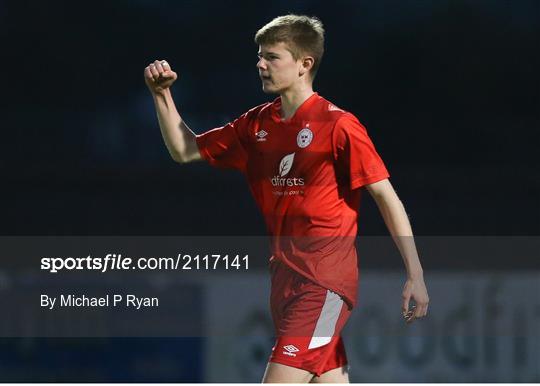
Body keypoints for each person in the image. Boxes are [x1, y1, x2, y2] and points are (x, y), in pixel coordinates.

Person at [144, 14, 429, 383]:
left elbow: (385, 197)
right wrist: (162, 95)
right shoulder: (256, 125)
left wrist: (415, 274)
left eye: (273, 57)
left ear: (304, 64)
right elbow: (184, 151)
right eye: (260, 56)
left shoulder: (338, 125)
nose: (261, 64)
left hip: (323, 285)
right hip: (285, 285)